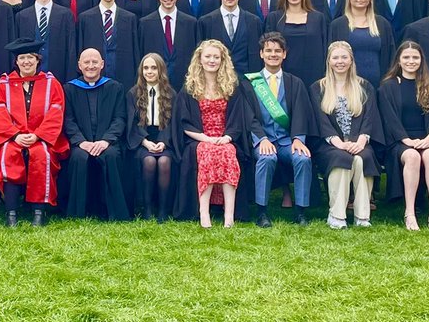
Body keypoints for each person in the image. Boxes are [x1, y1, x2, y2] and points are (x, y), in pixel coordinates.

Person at [173, 39, 256, 227]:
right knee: (208, 152)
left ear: (222, 60)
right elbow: (184, 122)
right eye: (208, 56)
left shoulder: (231, 86)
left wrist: (227, 137)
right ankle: (204, 213)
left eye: (216, 57)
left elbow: (238, 119)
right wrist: (206, 138)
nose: (212, 60)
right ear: (200, 59)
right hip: (199, 138)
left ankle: (229, 215)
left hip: (225, 137)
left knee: (228, 152)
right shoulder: (190, 88)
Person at [0, 37, 68, 227]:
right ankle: (11, 213)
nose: (26, 62)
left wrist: (37, 135)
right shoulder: (4, 84)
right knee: (8, 154)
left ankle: (38, 212)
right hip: (12, 137)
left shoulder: (51, 83)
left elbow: (56, 112)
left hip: (41, 138)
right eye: (22, 58)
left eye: (30, 58)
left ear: (37, 60)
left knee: (42, 155)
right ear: (16, 61)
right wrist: (15, 135)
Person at [310, 41, 382, 229]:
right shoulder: (318, 88)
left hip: (359, 142)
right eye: (335, 57)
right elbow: (321, 121)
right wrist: (339, 143)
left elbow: (369, 117)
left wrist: (361, 141)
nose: (339, 61)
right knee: (341, 158)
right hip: (330, 145)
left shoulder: (364, 86)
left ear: (351, 60)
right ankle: (337, 214)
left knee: (362, 159)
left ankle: (362, 216)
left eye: (344, 57)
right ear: (329, 61)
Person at [379, 41, 429, 231]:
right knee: (412, 156)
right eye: (406, 57)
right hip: (399, 141)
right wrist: (406, 141)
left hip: (427, 138)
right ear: (399, 61)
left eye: (415, 57)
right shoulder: (388, 87)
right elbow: (389, 120)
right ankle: (409, 213)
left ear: (421, 60)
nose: (411, 61)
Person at [247, 32, 315, 227]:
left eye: (277, 51)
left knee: (303, 158)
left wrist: (298, 139)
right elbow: (248, 118)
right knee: (267, 159)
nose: (273, 54)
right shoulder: (251, 83)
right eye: (268, 50)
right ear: (261, 54)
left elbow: (301, 114)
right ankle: (262, 212)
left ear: (284, 54)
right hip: (263, 140)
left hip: (287, 141)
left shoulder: (295, 83)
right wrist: (261, 139)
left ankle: (301, 212)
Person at [62, 48, 129, 220]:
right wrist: (81, 142)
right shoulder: (69, 89)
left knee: (112, 155)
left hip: (108, 143)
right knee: (79, 157)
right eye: (86, 62)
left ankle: (114, 213)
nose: (90, 66)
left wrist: (106, 140)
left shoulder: (115, 88)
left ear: (102, 64)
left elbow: (120, 118)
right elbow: (68, 120)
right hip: (81, 143)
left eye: (94, 62)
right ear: (79, 65)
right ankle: (77, 213)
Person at [124, 53, 176, 222]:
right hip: (142, 140)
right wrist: (145, 142)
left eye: (154, 68)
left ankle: (162, 210)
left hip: (164, 140)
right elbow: (131, 124)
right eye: (146, 68)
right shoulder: (133, 94)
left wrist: (162, 141)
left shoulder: (170, 94)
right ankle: (146, 208)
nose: (149, 71)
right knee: (149, 161)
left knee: (164, 162)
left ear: (161, 70)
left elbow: (173, 124)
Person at [77, 0, 141, 89]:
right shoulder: (85, 18)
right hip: (95, 78)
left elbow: (135, 52)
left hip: (123, 77)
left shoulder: (129, 18)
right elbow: (81, 49)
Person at [330, 0, 395, 89]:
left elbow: (391, 56)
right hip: (347, 86)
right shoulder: (338, 25)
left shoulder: (382, 24)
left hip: (378, 86)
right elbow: (331, 58)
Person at [15, 0, 76, 81]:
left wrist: (70, 80)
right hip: (30, 78)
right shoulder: (22, 17)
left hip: (59, 77)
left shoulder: (65, 15)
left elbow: (71, 49)